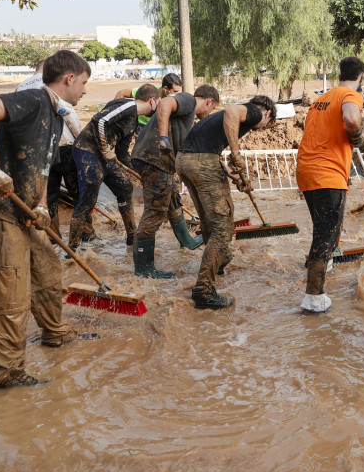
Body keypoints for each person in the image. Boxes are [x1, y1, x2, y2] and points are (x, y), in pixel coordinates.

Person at [0, 50, 98, 388]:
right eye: (83, 83)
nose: (84, 91)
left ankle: (56, 334)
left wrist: (40, 206)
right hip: (3, 214)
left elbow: (41, 168)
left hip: (25, 213)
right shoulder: (35, 99)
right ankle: (6, 371)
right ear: (69, 79)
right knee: (12, 295)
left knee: (50, 274)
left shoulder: (55, 115)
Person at [177, 95, 276, 310]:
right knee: (223, 228)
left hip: (185, 161)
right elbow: (232, 111)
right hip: (201, 163)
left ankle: (220, 259)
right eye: (263, 126)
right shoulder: (256, 111)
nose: (258, 129)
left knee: (209, 222)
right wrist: (236, 153)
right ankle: (204, 291)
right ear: (267, 113)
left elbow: (208, 153)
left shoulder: (216, 120)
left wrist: (237, 178)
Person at [296, 57, 364, 313]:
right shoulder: (350, 95)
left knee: (324, 227)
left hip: (307, 171)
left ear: (338, 75)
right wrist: (357, 136)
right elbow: (352, 119)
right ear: (361, 78)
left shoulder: (320, 100)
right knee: (324, 235)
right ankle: (314, 297)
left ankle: (327, 264)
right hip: (328, 172)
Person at [131, 84, 220, 278]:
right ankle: (143, 268)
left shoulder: (186, 117)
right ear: (209, 101)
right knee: (155, 212)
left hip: (154, 160)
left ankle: (186, 240)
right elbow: (164, 103)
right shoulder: (188, 100)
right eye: (211, 110)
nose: (208, 114)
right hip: (155, 159)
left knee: (172, 196)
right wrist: (163, 137)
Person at [69, 84, 160, 251]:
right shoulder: (127, 105)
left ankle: (132, 237)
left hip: (106, 157)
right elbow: (100, 120)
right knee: (89, 195)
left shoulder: (133, 121)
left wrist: (139, 172)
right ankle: (72, 248)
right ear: (152, 100)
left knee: (125, 186)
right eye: (159, 103)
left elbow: (122, 153)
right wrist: (104, 147)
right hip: (87, 151)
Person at [15, 59, 91, 241]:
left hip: (40, 151)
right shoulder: (52, 88)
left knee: (50, 196)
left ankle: (53, 237)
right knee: (78, 192)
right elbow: (71, 119)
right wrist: (83, 143)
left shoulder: (21, 87)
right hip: (67, 147)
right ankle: (86, 234)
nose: (84, 90)